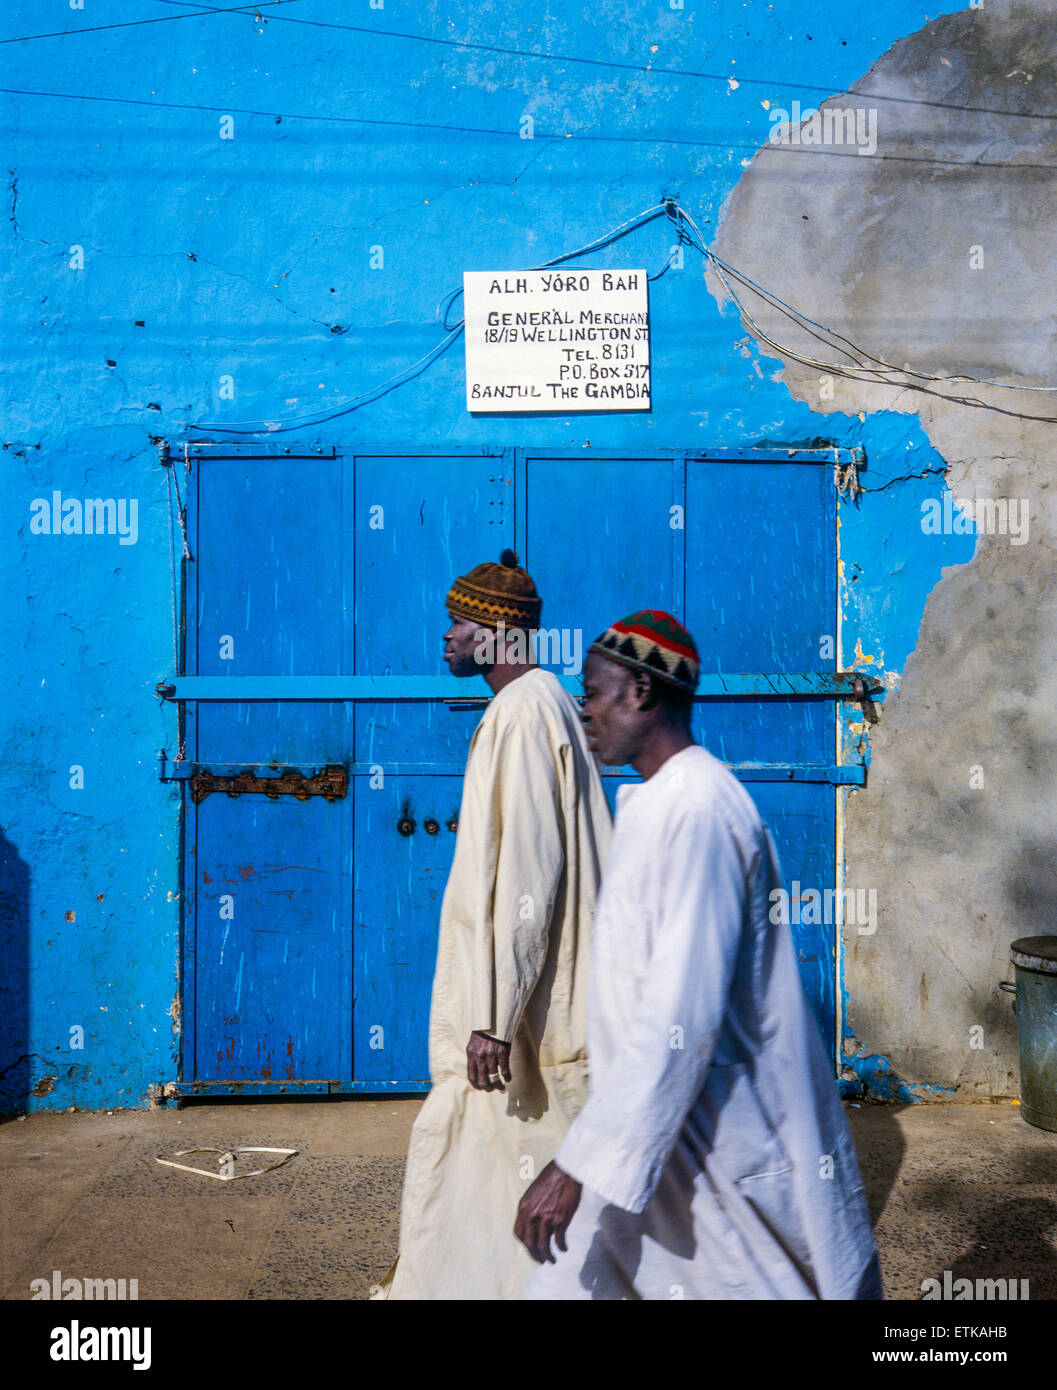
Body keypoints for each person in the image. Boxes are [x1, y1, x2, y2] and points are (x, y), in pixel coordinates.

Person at [516, 609, 882, 1300]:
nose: (583, 711)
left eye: (593, 692)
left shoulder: (699, 811)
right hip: (654, 1139)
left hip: (713, 1143)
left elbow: (678, 1011)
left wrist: (574, 1166)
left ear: (640, 692)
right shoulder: (659, 802)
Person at [380, 551, 612, 1300]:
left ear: (496, 630)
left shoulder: (521, 714)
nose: (445, 635)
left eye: (457, 621)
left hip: (529, 1020)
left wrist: (494, 1018)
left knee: (516, 1165)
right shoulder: (538, 705)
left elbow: (527, 878)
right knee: (493, 1175)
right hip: (531, 1010)